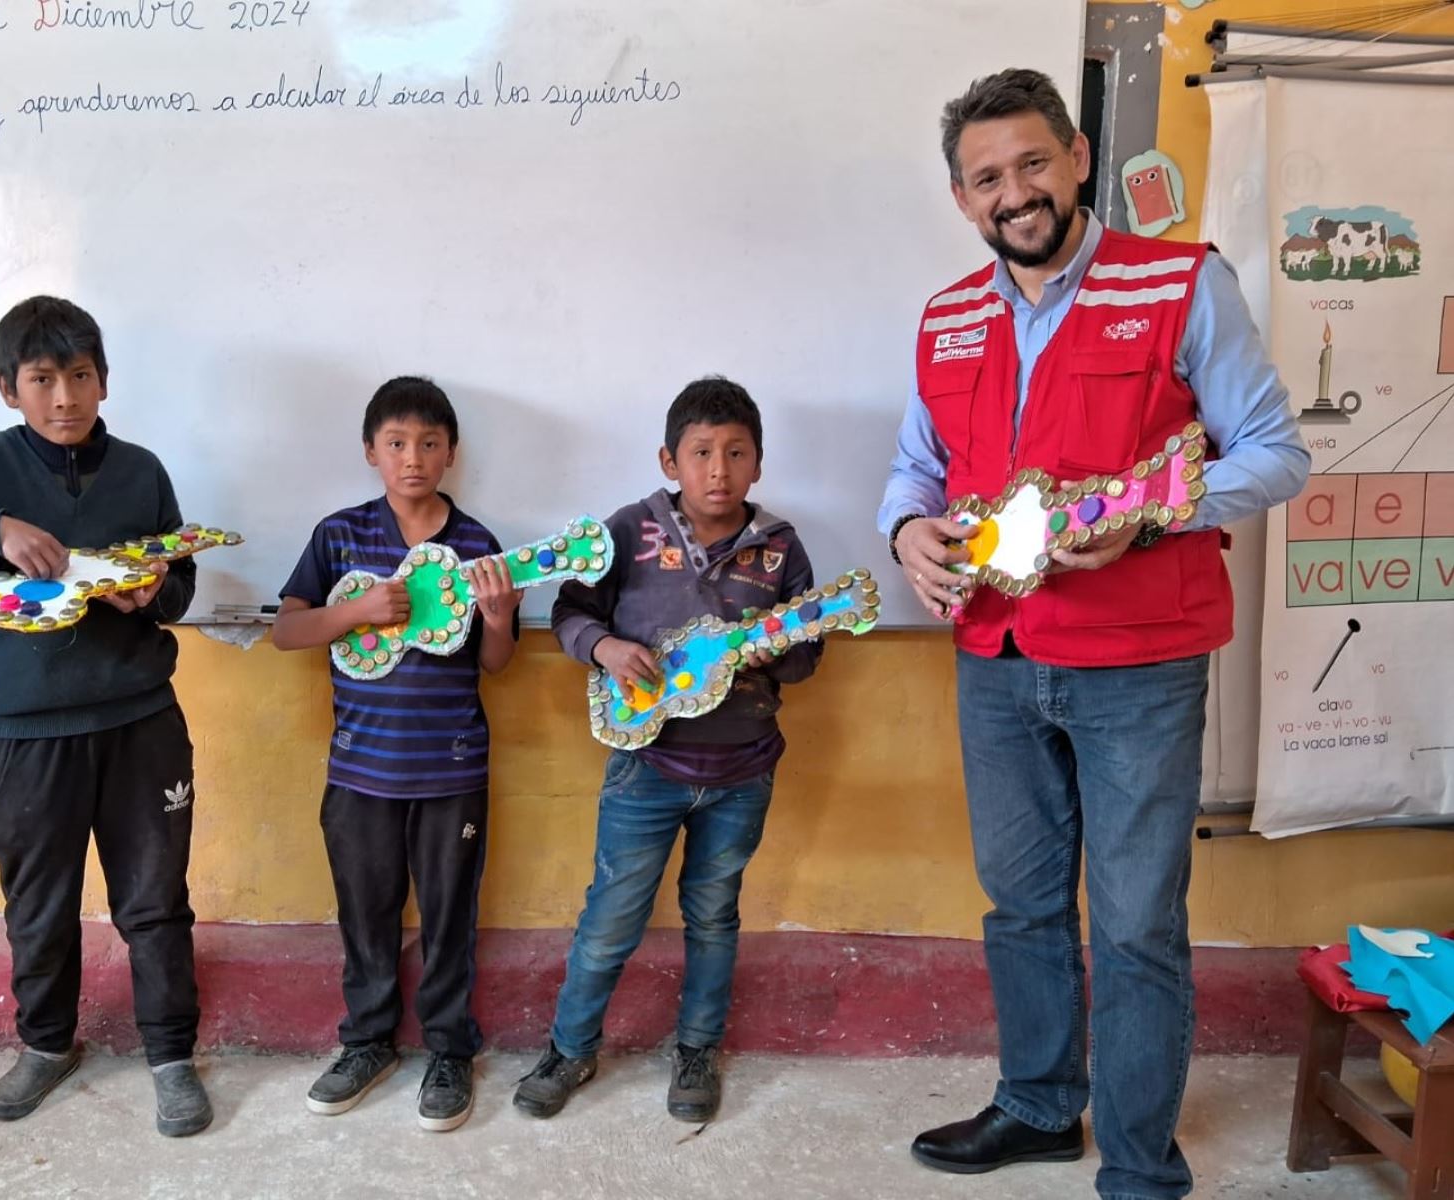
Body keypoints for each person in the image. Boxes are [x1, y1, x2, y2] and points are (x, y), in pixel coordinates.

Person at [877, 69, 1309, 1199]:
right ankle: (1036, 1106)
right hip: (997, 660)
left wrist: (1153, 516)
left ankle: (1136, 1163)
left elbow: (1272, 453)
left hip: (1139, 663)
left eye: (1031, 163)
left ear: (1076, 159)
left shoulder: (1178, 285)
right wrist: (907, 532)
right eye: (985, 178)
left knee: (1133, 927)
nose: (1012, 191)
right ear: (963, 199)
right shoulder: (948, 317)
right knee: (1020, 905)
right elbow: (916, 471)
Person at [0, 295, 213, 1137]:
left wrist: (155, 594)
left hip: (140, 723)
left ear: (104, 381)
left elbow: (177, 580)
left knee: (154, 901)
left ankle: (172, 1057)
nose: (64, 396)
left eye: (80, 375)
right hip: (24, 736)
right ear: (7, 389)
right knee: (38, 902)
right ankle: (46, 1045)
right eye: (42, 379)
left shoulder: (141, 472)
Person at [513, 376, 822, 1124]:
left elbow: (810, 655)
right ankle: (570, 1046)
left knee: (714, 917)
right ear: (668, 460)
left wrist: (770, 655)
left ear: (758, 465)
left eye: (736, 453)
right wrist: (608, 647)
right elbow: (570, 612)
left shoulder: (780, 550)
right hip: (644, 766)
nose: (718, 469)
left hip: (743, 770)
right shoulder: (628, 530)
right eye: (701, 453)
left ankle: (695, 1050)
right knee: (612, 915)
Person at [271, 376, 519, 1132]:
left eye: (429, 443)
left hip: (451, 770)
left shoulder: (476, 544)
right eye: (397, 443)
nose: (413, 457)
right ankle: (368, 1040)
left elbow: (496, 664)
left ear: (451, 453)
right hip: (358, 771)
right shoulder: (340, 534)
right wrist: (358, 611)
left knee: (449, 915)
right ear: (371, 452)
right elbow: (287, 631)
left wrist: (501, 618)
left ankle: (449, 1049)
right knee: (365, 913)